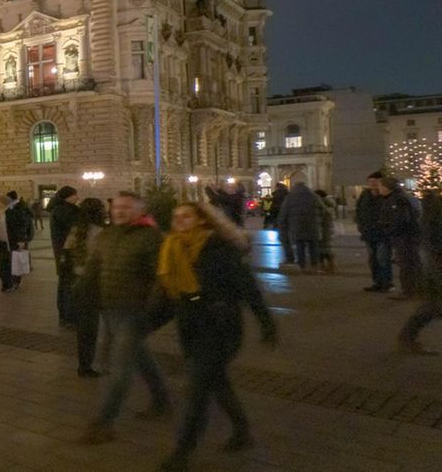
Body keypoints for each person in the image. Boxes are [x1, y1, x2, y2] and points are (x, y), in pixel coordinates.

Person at [156, 201, 276, 471]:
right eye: (176, 217)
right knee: (216, 383)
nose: (180, 221)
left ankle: (182, 452)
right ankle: (242, 431)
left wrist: (266, 322)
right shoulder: (172, 247)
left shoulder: (218, 248)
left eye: (186, 216)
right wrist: (145, 324)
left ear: (201, 220)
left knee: (197, 390)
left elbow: (247, 287)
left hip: (221, 327)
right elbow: (166, 294)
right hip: (191, 326)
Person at [79, 190, 170, 444]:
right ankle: (162, 400)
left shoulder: (151, 237)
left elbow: (161, 278)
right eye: (117, 206)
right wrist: (81, 293)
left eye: (127, 207)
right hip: (110, 309)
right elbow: (93, 268)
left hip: (135, 312)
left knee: (120, 368)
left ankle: (104, 423)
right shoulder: (107, 235)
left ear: (140, 210)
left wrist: (149, 311)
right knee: (141, 357)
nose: (119, 211)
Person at [66, 198, 108, 377]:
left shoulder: (75, 231)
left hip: (77, 281)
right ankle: (97, 365)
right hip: (96, 283)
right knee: (107, 326)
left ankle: (84, 364)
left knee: (85, 329)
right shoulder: (101, 233)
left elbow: (66, 255)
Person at [398, 188, 442, 355]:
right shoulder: (435, 207)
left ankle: (407, 337)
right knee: (434, 305)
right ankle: (407, 337)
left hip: (435, 260)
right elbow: (432, 237)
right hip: (437, 261)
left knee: (434, 305)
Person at [49, 186, 81, 326]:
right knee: (68, 284)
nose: (77, 197)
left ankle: (65, 315)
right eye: (75, 195)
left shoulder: (62, 209)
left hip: (64, 253)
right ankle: (69, 316)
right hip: (67, 253)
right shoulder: (64, 210)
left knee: (65, 284)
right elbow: (76, 226)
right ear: (67, 196)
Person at [357, 171, 394, 292]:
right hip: (368, 232)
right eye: (370, 181)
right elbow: (359, 210)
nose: (372, 184)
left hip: (383, 233)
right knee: (372, 259)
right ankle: (377, 282)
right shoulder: (365, 194)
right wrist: (360, 225)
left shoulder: (387, 196)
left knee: (382, 258)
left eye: (375, 181)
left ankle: (387, 283)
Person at [276, 181, 323, 273]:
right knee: (313, 246)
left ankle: (302, 266)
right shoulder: (314, 196)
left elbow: (284, 212)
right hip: (313, 224)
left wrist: (281, 224)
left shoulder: (290, 197)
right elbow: (323, 209)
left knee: (300, 245)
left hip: (297, 225)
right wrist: (319, 219)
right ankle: (314, 266)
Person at [0, 191, 34, 292]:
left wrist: (21, 240)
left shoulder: (12, 213)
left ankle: (14, 282)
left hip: (12, 242)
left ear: (4, 203)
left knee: (14, 263)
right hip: (1, 243)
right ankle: (6, 284)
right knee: (2, 265)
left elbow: (19, 228)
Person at [317, 190, 337, 273]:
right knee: (326, 248)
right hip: (328, 229)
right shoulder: (330, 204)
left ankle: (327, 266)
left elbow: (322, 218)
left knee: (322, 248)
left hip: (324, 229)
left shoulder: (323, 206)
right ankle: (330, 266)